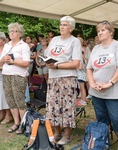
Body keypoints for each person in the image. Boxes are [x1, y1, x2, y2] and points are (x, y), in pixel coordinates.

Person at [86, 20, 118, 150]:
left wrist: (109, 83)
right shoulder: (96, 48)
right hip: (97, 91)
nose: (100, 32)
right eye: (98, 30)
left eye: (103, 30)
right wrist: (92, 84)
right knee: (101, 118)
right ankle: (103, 141)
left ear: (111, 32)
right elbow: (89, 68)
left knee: (116, 118)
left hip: (114, 91)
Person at [45, 16, 82, 145]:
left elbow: (76, 63)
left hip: (67, 77)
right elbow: (47, 56)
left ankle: (67, 134)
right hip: (53, 77)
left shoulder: (74, 41)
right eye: (61, 24)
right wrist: (46, 62)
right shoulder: (54, 39)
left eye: (65, 25)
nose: (61, 27)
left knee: (66, 105)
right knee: (53, 105)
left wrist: (57, 66)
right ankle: (57, 131)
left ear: (71, 28)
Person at [0, 22, 30, 133]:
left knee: (19, 100)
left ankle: (23, 124)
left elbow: (27, 63)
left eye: (14, 31)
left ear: (20, 34)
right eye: (10, 31)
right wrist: (4, 59)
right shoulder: (6, 45)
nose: (11, 33)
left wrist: (13, 61)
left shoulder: (24, 46)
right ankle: (16, 123)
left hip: (19, 76)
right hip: (6, 74)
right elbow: (0, 62)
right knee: (10, 100)